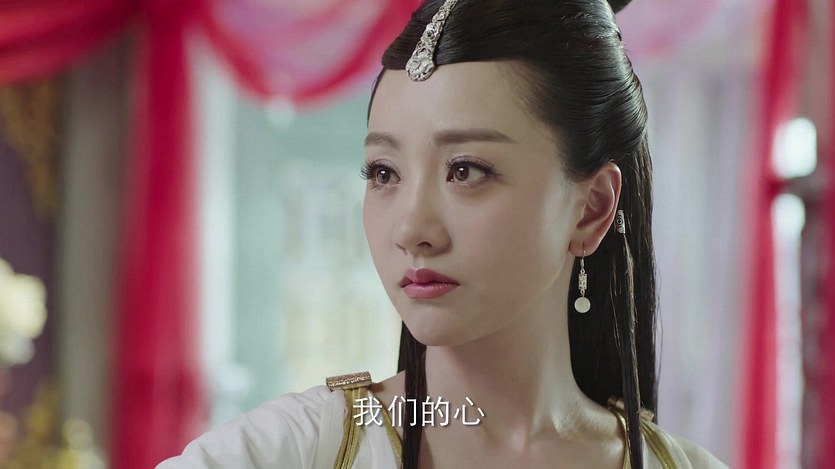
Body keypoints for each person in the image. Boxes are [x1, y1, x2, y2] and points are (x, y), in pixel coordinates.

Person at [158, 0, 728, 467]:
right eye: (384, 173)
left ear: (590, 208)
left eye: (466, 170)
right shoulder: (288, 452)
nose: (411, 229)